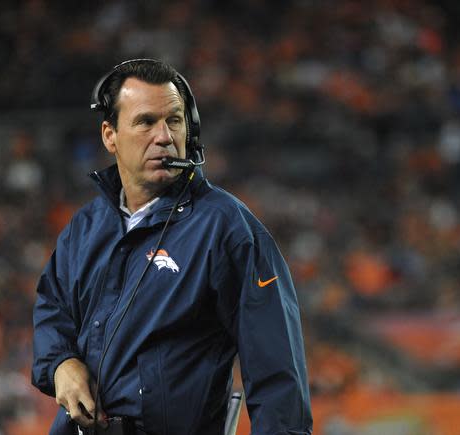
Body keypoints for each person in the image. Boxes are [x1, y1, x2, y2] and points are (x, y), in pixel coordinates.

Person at [32, 59, 313, 435]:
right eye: (146, 122)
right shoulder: (85, 227)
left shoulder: (227, 228)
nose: (164, 136)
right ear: (109, 135)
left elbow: (278, 371)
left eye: (175, 121)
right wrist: (60, 363)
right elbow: (53, 308)